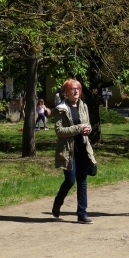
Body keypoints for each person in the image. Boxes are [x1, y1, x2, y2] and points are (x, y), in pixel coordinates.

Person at [51, 79, 97, 224]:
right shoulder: (61, 109)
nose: (76, 91)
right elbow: (59, 131)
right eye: (72, 89)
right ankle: (58, 202)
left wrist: (88, 129)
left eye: (78, 88)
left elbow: (87, 124)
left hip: (83, 148)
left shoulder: (83, 106)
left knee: (82, 181)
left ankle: (82, 214)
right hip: (68, 150)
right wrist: (79, 128)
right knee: (70, 180)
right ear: (66, 92)